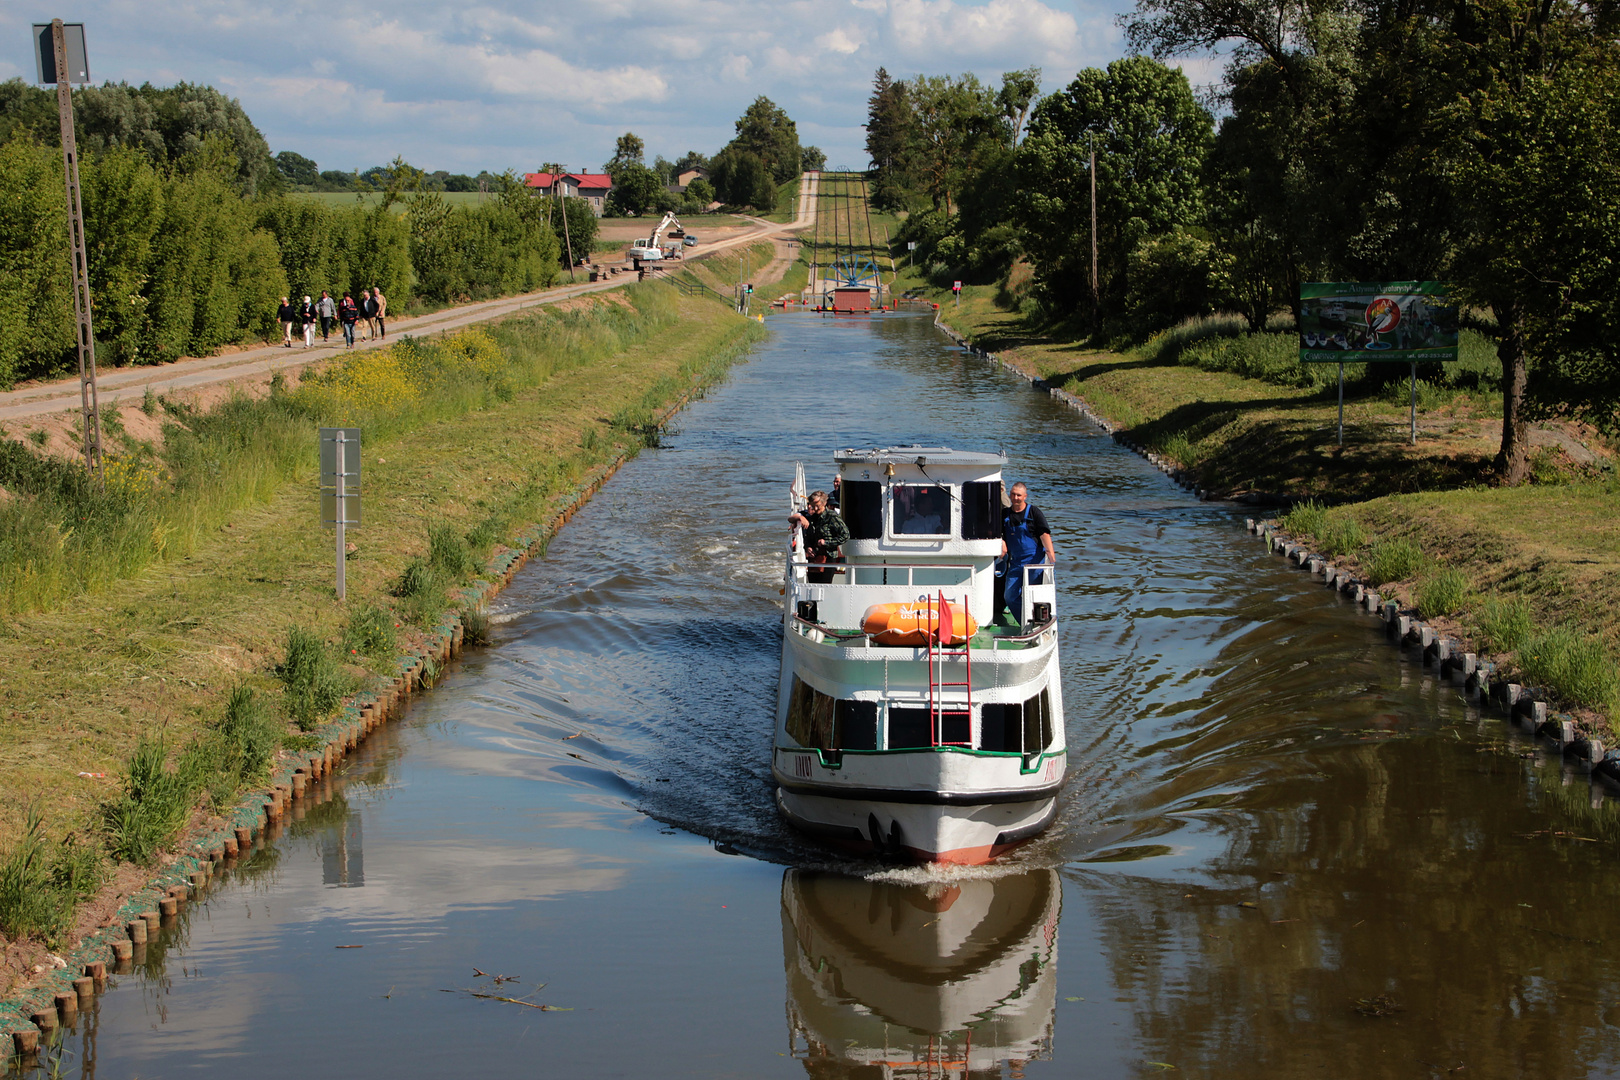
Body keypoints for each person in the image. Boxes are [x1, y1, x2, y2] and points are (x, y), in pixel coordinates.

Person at [997, 482, 1056, 626]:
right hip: (1016, 562)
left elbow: (1044, 534)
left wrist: (1051, 556)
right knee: (1010, 597)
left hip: (1035, 562)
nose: (1015, 498)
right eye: (1013, 494)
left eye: (1018, 495)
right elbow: (999, 533)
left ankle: (1036, 624)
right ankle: (1025, 622)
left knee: (1034, 597)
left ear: (1025, 496)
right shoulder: (1005, 514)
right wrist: (1002, 541)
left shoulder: (1033, 512)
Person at [789, 490, 849, 585]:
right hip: (814, 558)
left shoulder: (832, 517)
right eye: (813, 506)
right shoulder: (811, 517)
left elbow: (845, 536)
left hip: (828, 558)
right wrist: (807, 547)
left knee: (824, 586)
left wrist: (826, 542)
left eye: (818, 506)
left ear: (824, 503)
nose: (815, 508)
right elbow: (806, 536)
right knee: (812, 586)